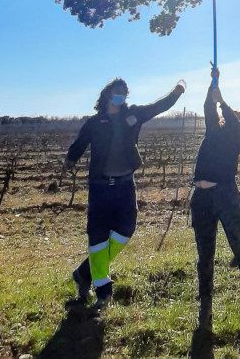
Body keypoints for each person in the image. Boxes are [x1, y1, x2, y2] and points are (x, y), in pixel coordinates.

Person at [62, 77, 186, 309]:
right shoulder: (95, 122)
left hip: (125, 186)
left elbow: (158, 106)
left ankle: (83, 272)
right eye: (117, 93)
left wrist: (177, 92)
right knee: (97, 239)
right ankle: (103, 292)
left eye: (124, 94)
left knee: (126, 230)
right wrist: (69, 160)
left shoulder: (134, 116)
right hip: (99, 188)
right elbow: (80, 143)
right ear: (107, 95)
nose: (121, 97)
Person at [191, 67, 240, 332]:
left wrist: (223, 101)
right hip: (201, 199)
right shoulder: (213, 130)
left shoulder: (236, 137)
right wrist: (214, 82)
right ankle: (205, 307)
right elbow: (208, 105)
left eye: (238, 118)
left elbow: (229, 118)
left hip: (225, 196)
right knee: (204, 256)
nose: (232, 119)